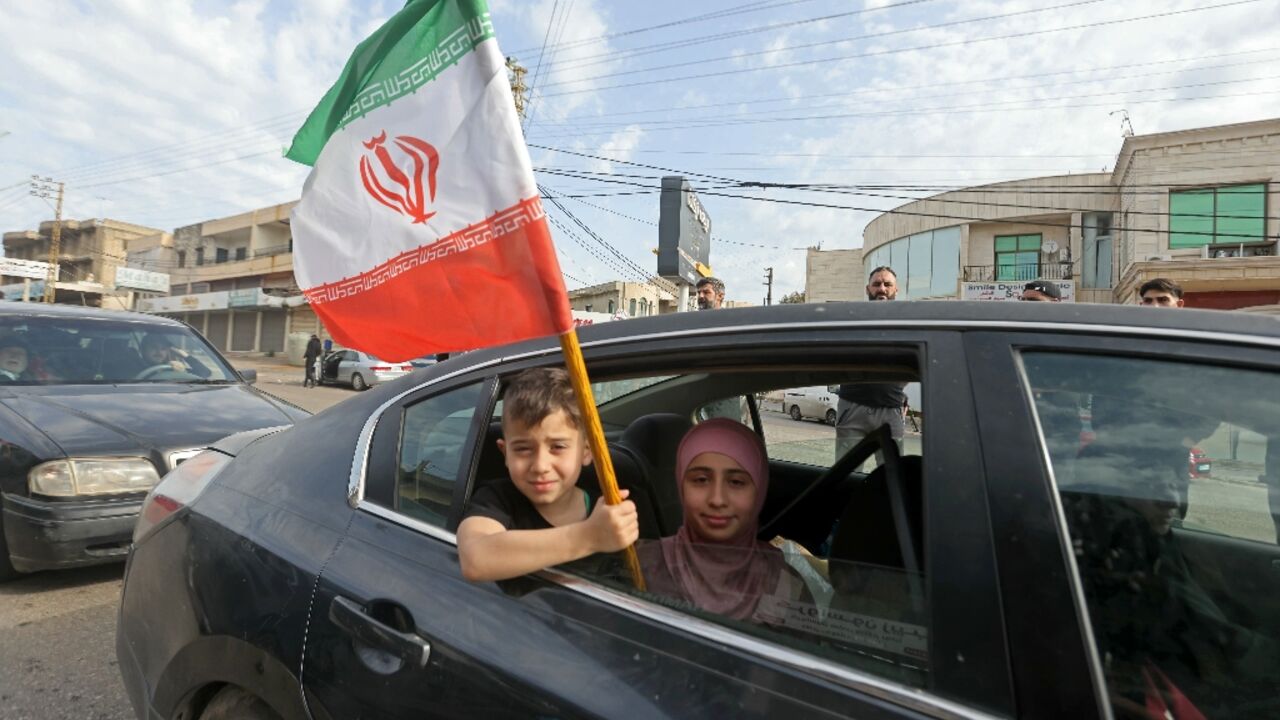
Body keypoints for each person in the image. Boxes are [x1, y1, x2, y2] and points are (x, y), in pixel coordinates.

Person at [1066, 460, 1279, 718]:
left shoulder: (1165, 551)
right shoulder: (1131, 575)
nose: (1172, 501)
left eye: (1176, 486)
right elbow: (1223, 643)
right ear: (1112, 498)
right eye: (1151, 488)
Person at [457, 367, 639, 582]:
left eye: (558, 447)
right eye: (523, 449)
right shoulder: (496, 501)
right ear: (505, 453)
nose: (541, 466)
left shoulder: (608, 512)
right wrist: (589, 536)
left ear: (587, 451)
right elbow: (476, 560)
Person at [638, 418, 806, 623]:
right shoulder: (642, 565)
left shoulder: (783, 583)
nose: (717, 499)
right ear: (681, 485)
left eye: (736, 482)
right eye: (701, 480)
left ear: (760, 490)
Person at [836, 267, 908, 456]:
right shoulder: (853, 320)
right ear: (868, 289)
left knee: (892, 478)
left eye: (887, 284)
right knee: (846, 476)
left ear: (896, 289)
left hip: (891, 409)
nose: (882, 289)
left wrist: (898, 392)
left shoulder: (905, 323)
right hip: (852, 406)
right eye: (876, 284)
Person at [139, 334, 211, 378]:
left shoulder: (172, 367)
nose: (159, 352)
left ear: (167, 351)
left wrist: (184, 355)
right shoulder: (136, 367)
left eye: (163, 349)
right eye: (154, 347)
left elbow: (205, 373)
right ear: (143, 349)